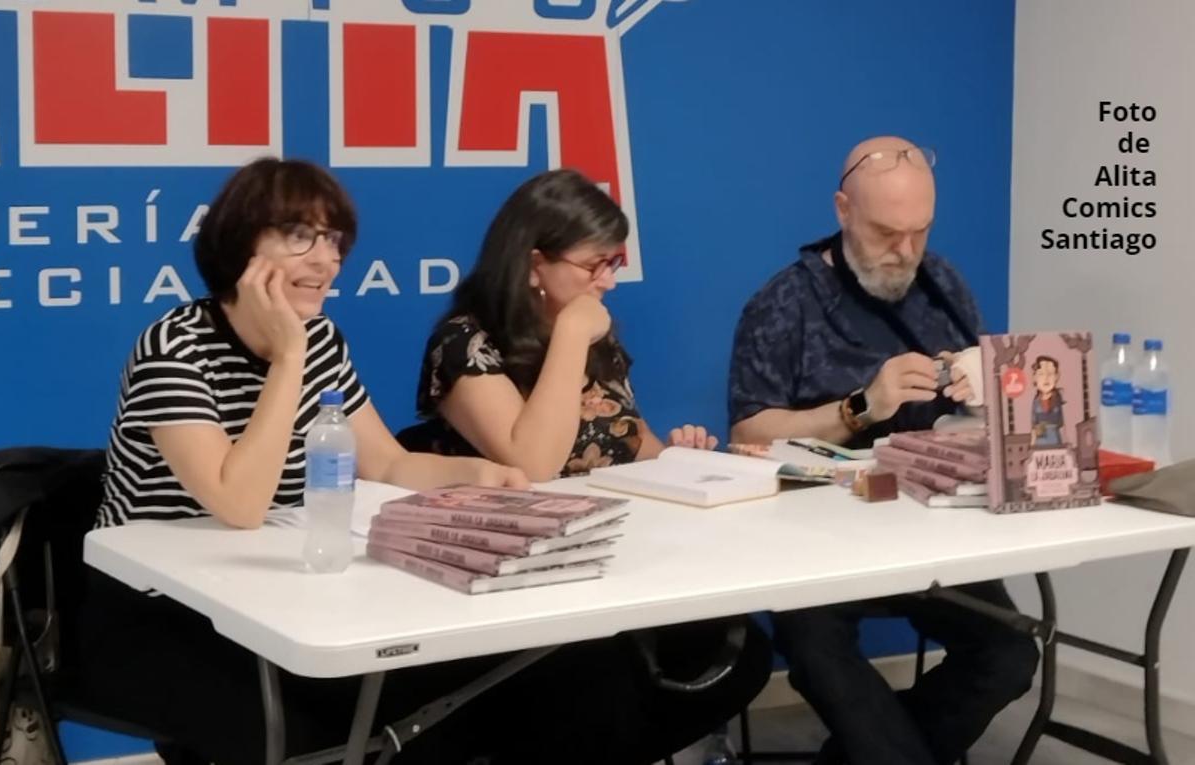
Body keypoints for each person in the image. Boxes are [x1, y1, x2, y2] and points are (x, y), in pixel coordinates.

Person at [77, 158, 767, 765]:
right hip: (163, 615)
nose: (326, 259)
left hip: (282, 593)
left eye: (334, 240)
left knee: (561, 675)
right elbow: (239, 504)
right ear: (239, 249)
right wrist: (287, 357)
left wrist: (480, 474)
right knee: (351, 715)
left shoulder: (321, 340)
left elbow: (386, 461)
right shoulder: (175, 346)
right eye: (300, 237)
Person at [727, 137, 1039, 765]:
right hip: (813, 539)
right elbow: (747, 435)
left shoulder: (942, 283)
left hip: (928, 525)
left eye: (919, 231)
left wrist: (983, 393)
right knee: (818, 653)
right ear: (843, 210)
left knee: (1010, 651)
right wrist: (859, 407)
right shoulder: (785, 302)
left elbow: (984, 408)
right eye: (886, 232)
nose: (905, 252)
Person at [400, 168, 720, 480]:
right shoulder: (464, 344)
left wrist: (676, 458)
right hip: (500, 526)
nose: (608, 282)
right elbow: (533, 466)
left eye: (613, 263)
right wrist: (572, 334)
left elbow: (632, 442)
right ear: (534, 266)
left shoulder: (592, 335)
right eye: (594, 265)